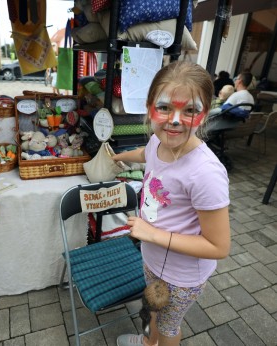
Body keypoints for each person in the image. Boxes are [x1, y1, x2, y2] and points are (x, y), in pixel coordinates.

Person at [112, 61, 231, 346]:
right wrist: (118, 158)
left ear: (204, 114)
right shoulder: (159, 140)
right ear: (150, 105)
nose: (175, 120)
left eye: (190, 110)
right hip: (153, 258)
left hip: (181, 276)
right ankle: (147, 343)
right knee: (155, 310)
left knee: (168, 327)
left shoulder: (205, 173)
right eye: (164, 107)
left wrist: (152, 234)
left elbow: (219, 247)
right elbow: (147, 152)